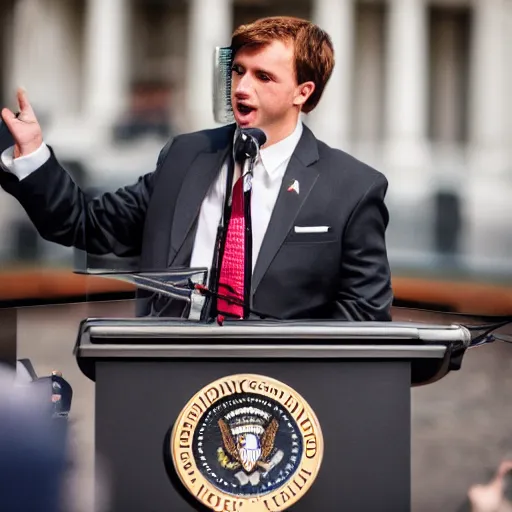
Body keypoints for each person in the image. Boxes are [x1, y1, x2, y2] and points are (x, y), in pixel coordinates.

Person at [0, 16, 393, 321]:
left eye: (263, 76)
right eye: (238, 70)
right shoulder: (186, 157)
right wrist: (33, 153)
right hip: (171, 379)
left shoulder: (352, 187)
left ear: (302, 93)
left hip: (283, 396)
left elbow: (365, 315)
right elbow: (87, 225)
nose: (241, 87)